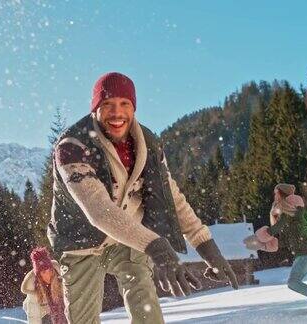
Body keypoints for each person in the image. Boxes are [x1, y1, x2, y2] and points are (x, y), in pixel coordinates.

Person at [48, 72, 238, 324]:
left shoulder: (147, 143)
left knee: (144, 301)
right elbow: (98, 210)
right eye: (107, 105)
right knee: (82, 320)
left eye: (124, 104)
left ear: (133, 107)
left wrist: (207, 248)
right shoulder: (72, 146)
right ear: (95, 108)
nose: (117, 113)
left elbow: (171, 196)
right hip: (80, 240)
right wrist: (157, 247)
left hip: (129, 237)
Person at [244, 183, 307, 313]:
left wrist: (259, 237)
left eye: (276, 193)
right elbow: (285, 241)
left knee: (293, 282)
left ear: (282, 194)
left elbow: (277, 228)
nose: (274, 196)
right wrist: (263, 245)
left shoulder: (290, 212)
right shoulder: (288, 214)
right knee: (294, 282)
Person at [21, 247, 66, 324]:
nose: (48, 275)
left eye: (50, 270)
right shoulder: (33, 288)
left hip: (63, 312)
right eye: (43, 272)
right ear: (38, 275)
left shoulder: (61, 279)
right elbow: (34, 317)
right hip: (44, 316)